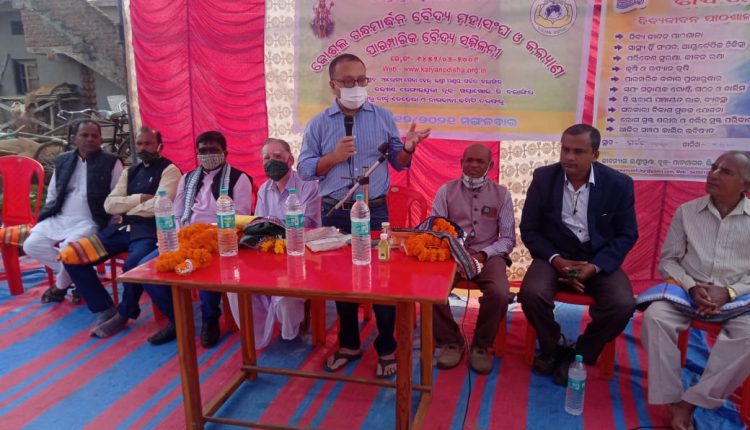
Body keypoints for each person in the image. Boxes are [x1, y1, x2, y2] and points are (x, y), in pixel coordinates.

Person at [297, 53, 431, 378]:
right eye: (348, 82)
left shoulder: (382, 117)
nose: (356, 87)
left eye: (361, 80)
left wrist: (408, 148)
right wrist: (333, 157)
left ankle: (386, 346)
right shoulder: (318, 124)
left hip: (375, 210)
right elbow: (304, 170)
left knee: (382, 281)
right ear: (333, 85)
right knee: (341, 281)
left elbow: (398, 162)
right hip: (336, 212)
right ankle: (348, 344)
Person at [519, 123, 638, 386]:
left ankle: (580, 354)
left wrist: (594, 267)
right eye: (565, 149)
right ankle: (552, 346)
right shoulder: (544, 178)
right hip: (554, 256)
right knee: (531, 293)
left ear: (595, 155)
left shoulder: (618, 184)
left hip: (597, 259)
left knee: (622, 304)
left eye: (578, 151)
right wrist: (556, 260)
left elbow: (627, 234)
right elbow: (529, 228)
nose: (569, 157)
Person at [642, 151, 750, 430]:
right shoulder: (687, 211)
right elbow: (668, 261)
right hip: (688, 292)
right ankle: (671, 399)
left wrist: (728, 292)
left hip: (738, 298)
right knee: (655, 318)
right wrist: (691, 287)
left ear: (745, 185)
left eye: (726, 172)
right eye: (713, 167)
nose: (713, 174)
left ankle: (690, 403)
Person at [63, 127, 180, 337]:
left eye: (148, 143)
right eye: (140, 144)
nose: (143, 148)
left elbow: (161, 205)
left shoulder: (169, 170)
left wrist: (126, 207)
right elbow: (109, 205)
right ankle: (104, 307)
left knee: (133, 266)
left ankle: (124, 314)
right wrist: (139, 199)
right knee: (72, 255)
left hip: (149, 231)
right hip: (120, 230)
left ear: (160, 146)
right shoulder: (130, 171)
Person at [143, 130, 253, 347]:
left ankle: (210, 319)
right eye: (203, 150)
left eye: (214, 150)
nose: (208, 154)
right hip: (185, 236)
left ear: (225, 153)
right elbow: (176, 214)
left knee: (203, 271)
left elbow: (240, 217)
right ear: (197, 153)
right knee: (147, 270)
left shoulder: (239, 179)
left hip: (219, 239)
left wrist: (205, 237)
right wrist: (177, 239)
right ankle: (177, 320)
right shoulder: (187, 178)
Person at [227, 138, 321, 348]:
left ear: (291, 159)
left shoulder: (308, 186)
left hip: (301, 256)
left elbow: (306, 224)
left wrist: (276, 228)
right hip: (269, 255)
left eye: (277, 156)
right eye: (266, 158)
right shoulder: (264, 190)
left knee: (286, 298)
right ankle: (257, 334)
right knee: (235, 286)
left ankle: (290, 333)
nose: (271, 161)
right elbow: (260, 225)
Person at [431, 144, 515, 374]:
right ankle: (451, 341)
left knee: (499, 292)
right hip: (451, 254)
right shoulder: (445, 191)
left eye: (480, 161)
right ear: (461, 163)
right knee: (431, 288)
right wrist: (457, 254)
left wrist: (484, 254)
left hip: (489, 255)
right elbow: (436, 231)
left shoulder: (502, 194)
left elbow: (508, 239)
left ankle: (481, 345)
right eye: (469, 160)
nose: (474, 165)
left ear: (490, 165)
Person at [23, 120, 123, 303]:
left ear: (101, 139)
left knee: (69, 249)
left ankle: (60, 287)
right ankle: (80, 278)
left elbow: (117, 196)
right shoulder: (63, 160)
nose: (90, 139)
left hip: (91, 220)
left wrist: (111, 226)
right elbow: (53, 193)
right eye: (84, 135)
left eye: (94, 136)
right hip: (61, 216)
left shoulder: (111, 162)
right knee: (31, 245)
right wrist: (47, 215)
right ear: (74, 138)